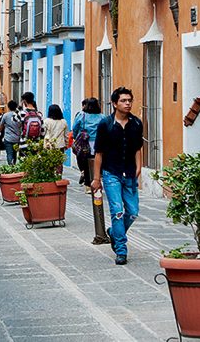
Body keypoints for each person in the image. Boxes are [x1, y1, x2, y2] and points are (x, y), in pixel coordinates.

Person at [91, 87, 142, 266]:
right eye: (123, 101)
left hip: (129, 173)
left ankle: (113, 233)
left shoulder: (136, 123)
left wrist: (138, 167)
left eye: (129, 100)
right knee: (117, 211)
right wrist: (96, 179)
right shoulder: (105, 124)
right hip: (111, 173)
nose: (127, 103)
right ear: (114, 103)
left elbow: (137, 148)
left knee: (133, 212)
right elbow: (98, 153)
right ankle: (121, 249)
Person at [72, 98, 107, 194]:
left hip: (85, 142)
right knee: (98, 163)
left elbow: (75, 127)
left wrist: (76, 137)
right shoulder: (102, 117)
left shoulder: (81, 115)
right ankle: (97, 181)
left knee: (86, 164)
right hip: (98, 143)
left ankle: (88, 185)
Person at [0, 100, 23, 165]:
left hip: (8, 138)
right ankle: (13, 165)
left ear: (8, 107)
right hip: (17, 138)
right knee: (14, 153)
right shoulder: (19, 116)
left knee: (9, 153)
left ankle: (10, 166)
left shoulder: (5, 115)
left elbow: (1, 126)